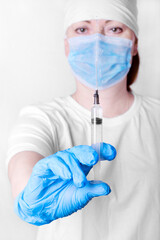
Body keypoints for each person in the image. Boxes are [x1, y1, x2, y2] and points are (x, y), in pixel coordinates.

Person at [7, 0, 160, 239]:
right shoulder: (42, 118)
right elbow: (23, 163)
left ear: (134, 44)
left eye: (114, 29)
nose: (97, 43)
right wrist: (32, 196)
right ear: (67, 46)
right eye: (82, 29)